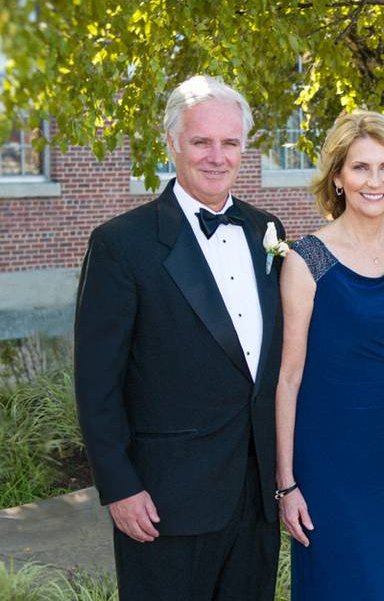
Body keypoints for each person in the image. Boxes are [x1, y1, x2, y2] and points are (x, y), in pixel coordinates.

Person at [74, 75, 283, 600]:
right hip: (164, 501)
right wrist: (120, 486)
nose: (217, 156)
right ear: (172, 143)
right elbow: (96, 382)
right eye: (201, 141)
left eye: (230, 142)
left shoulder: (266, 232)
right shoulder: (122, 244)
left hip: (255, 500)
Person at [275, 110, 384, 601]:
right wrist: (287, 483)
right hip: (329, 465)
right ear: (337, 177)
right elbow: (289, 378)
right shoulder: (307, 260)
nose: (374, 181)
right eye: (360, 167)